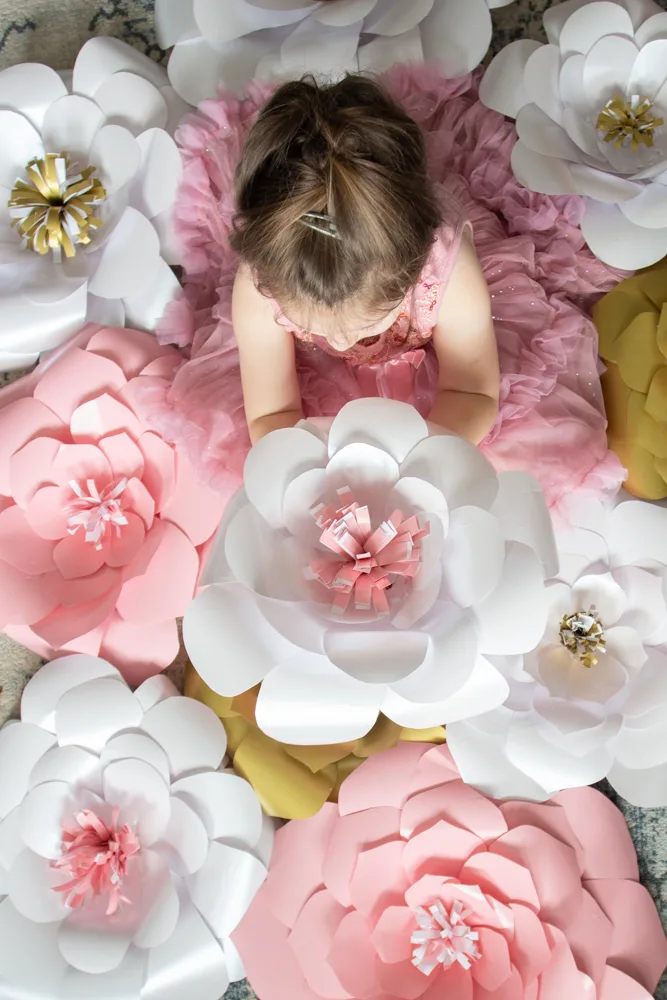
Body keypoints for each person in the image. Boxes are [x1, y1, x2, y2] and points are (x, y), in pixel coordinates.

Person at [144, 66, 626, 518]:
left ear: (411, 275)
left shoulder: (446, 266)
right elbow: (273, 412)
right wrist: (316, 480)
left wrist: (415, 469)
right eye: (314, 329)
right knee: (245, 484)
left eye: (361, 325)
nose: (336, 343)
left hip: (448, 372)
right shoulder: (260, 285)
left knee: (520, 465)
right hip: (324, 370)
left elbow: (471, 389)